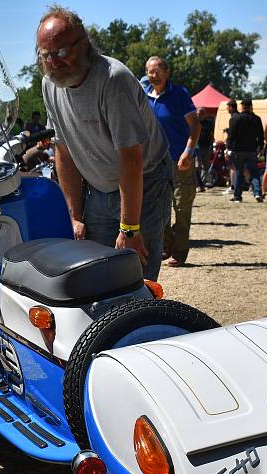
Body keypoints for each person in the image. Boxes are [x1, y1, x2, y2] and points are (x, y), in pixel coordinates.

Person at [37, 6, 171, 281]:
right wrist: (73, 217)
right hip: (99, 186)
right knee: (97, 271)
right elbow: (63, 151)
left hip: (145, 179)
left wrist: (130, 229)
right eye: (46, 55)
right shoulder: (49, 84)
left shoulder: (113, 79)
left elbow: (131, 159)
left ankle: (141, 321)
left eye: (61, 52)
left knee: (136, 274)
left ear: (83, 44)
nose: (54, 62)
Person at [141, 56, 200, 268]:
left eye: (156, 71)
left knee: (182, 207)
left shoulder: (179, 94)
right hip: (155, 163)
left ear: (167, 72)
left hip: (180, 160)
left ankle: (180, 251)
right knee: (159, 207)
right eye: (149, 71)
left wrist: (188, 151)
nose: (152, 75)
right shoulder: (144, 95)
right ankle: (166, 245)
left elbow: (195, 126)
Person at [227, 98, 263, 202]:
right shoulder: (256, 119)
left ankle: (237, 195)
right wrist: (260, 147)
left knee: (239, 171)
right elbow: (260, 135)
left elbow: (231, 135)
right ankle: (257, 192)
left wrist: (228, 147)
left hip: (238, 149)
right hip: (252, 149)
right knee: (254, 172)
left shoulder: (236, 118)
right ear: (251, 106)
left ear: (242, 106)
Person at [196, 107, 214, 190]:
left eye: (201, 114)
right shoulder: (194, 122)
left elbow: (211, 134)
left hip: (206, 147)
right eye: (198, 114)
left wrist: (211, 145)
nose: (199, 115)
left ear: (205, 115)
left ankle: (202, 183)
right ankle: (198, 184)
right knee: (197, 166)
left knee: (206, 166)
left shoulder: (209, 123)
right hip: (197, 147)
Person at [223, 99, 238, 194]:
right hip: (239, 146)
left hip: (233, 146)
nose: (227, 109)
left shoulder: (233, 118)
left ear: (231, 107)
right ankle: (252, 184)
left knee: (233, 167)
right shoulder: (238, 116)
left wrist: (227, 147)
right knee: (241, 168)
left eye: (228, 107)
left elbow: (233, 133)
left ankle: (232, 187)